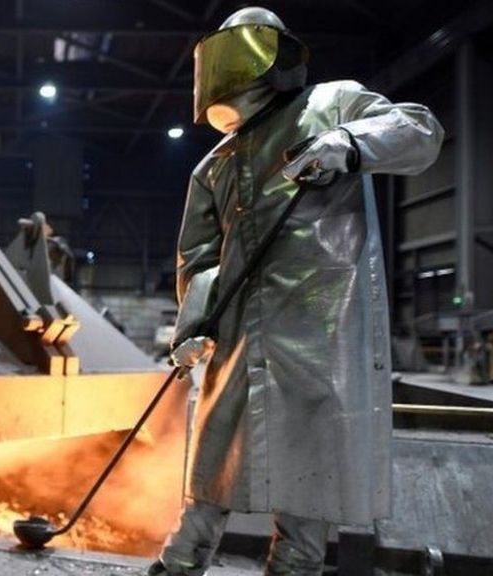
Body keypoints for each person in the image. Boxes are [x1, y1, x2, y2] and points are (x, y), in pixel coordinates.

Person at [151, 7, 444, 575]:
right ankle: (180, 562)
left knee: (312, 473)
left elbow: (419, 130)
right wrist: (192, 327)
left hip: (322, 330)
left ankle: (293, 568)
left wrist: (350, 142)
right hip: (241, 337)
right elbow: (201, 259)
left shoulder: (333, 104)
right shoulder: (215, 165)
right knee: (214, 459)